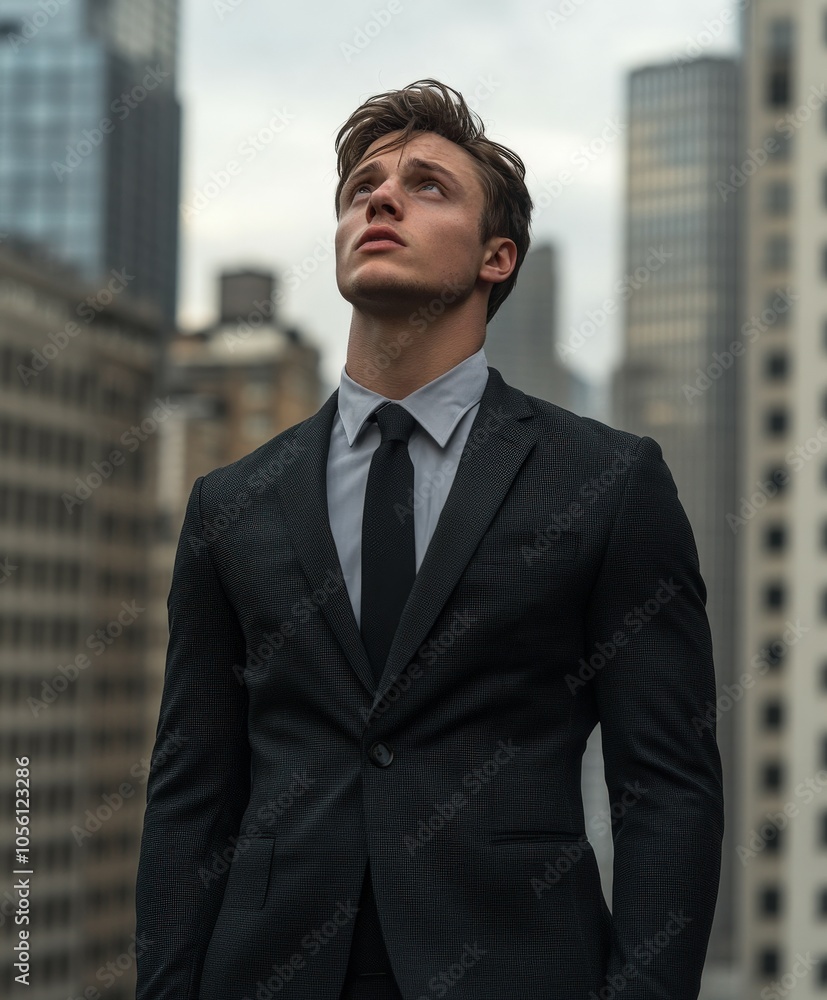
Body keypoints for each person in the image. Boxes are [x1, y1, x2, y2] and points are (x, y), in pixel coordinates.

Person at [135, 78, 724, 1000]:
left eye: (426, 185)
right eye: (361, 187)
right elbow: (189, 793)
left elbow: (667, 787)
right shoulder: (229, 503)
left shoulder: (608, 481)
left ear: (497, 257)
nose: (379, 197)